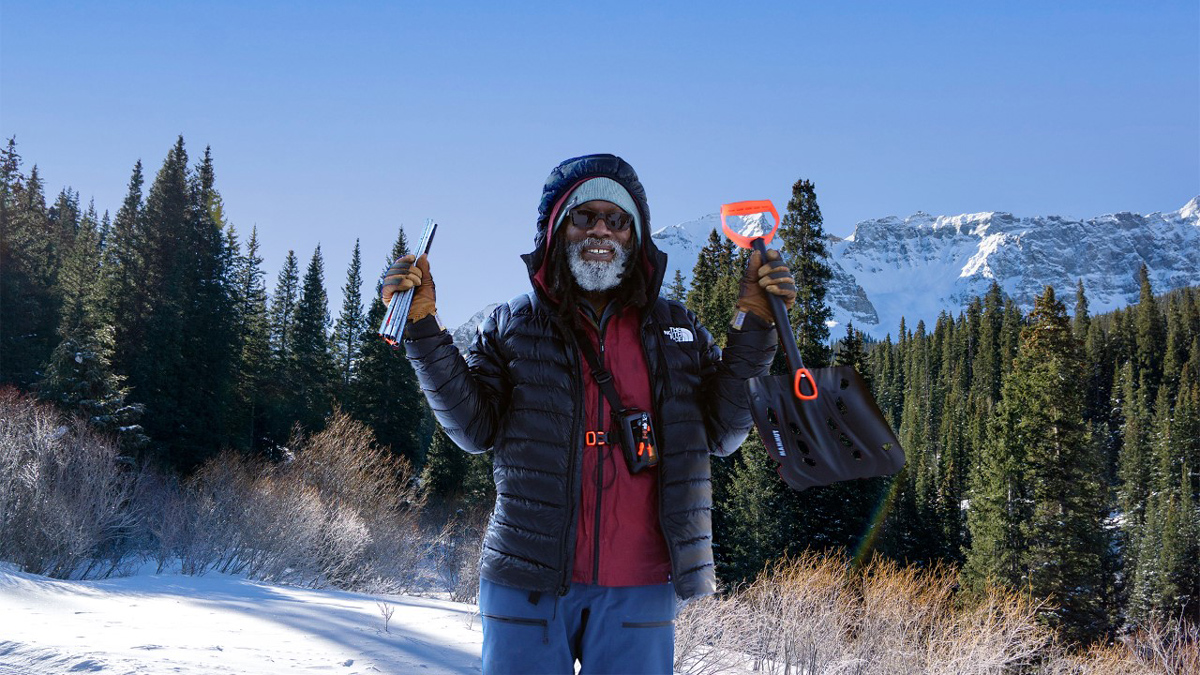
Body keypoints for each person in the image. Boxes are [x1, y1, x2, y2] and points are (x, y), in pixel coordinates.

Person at [382, 154, 795, 674]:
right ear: (557, 230)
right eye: (584, 216)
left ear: (635, 235)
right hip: (526, 583)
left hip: (640, 585)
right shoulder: (513, 325)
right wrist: (422, 330)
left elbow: (723, 430)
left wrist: (756, 325)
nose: (601, 229)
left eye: (617, 220)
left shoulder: (678, 330)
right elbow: (473, 427)